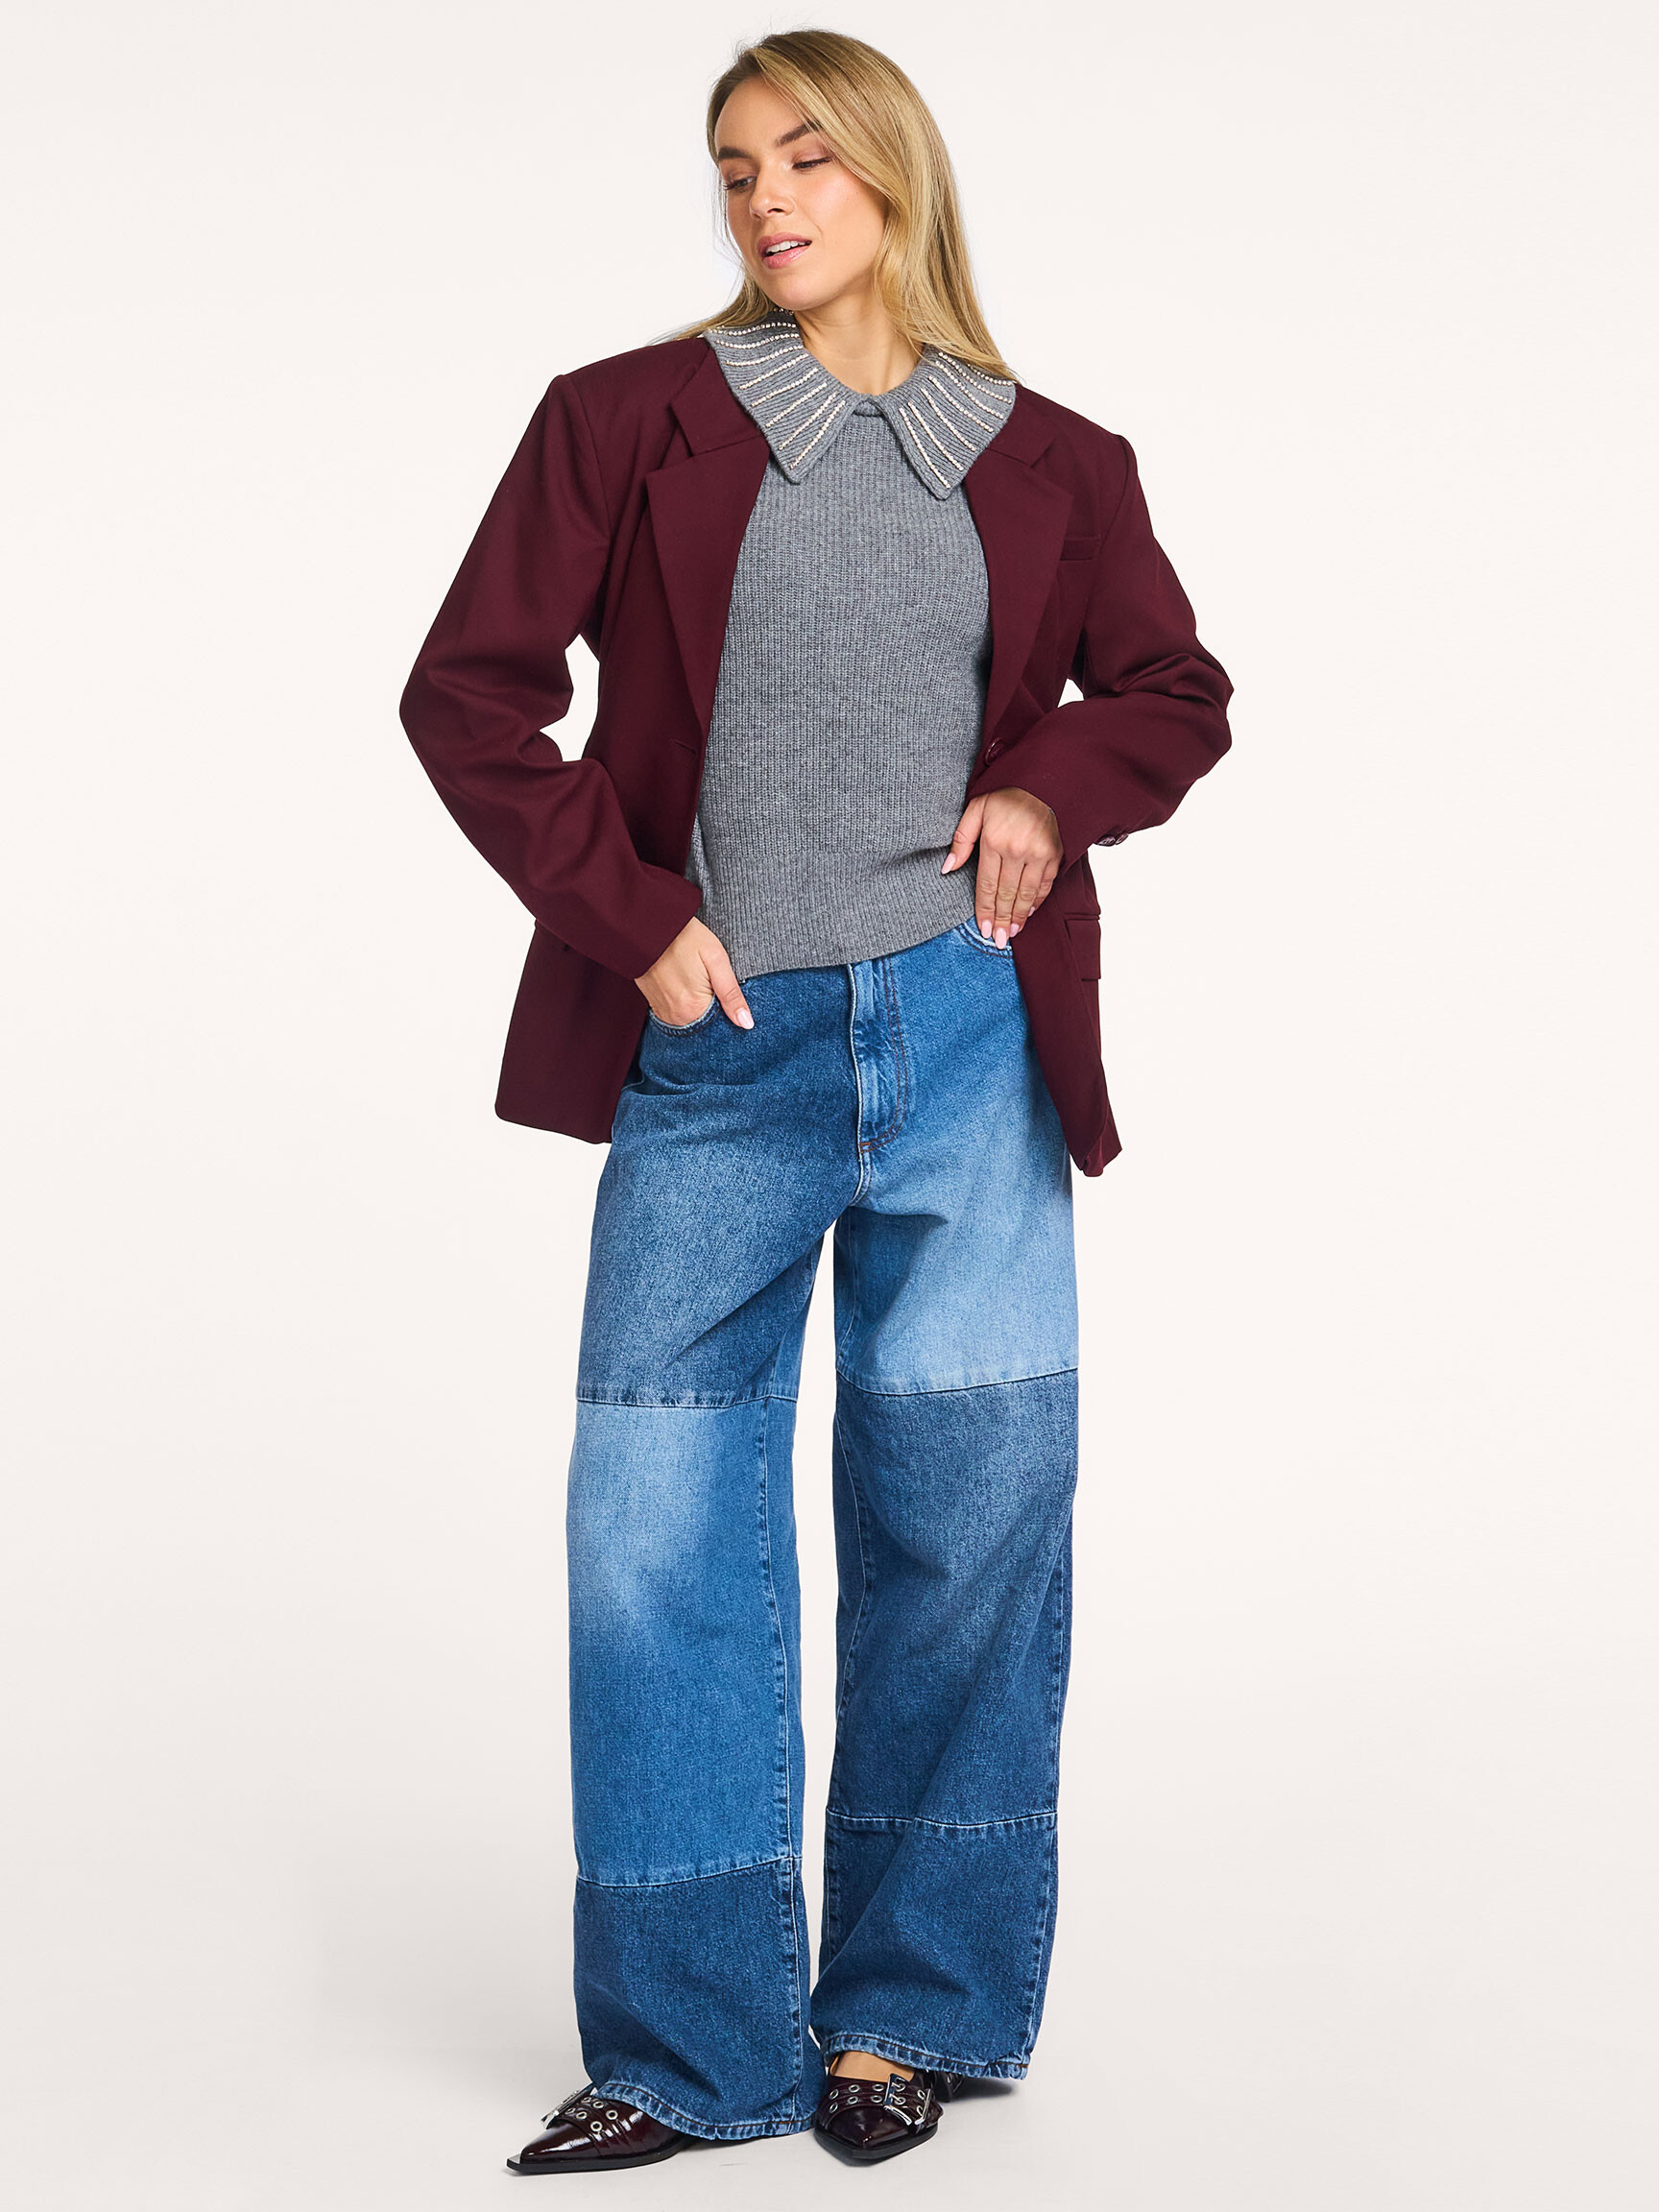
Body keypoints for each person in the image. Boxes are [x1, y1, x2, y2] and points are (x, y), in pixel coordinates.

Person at [398, 27, 1233, 2175]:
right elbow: (469, 694)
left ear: (895, 177)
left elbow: (1175, 692)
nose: (765, 200)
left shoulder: (1058, 460)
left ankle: (908, 2019)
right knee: (652, 1532)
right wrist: (633, 917)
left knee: (969, 1521)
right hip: (723, 1049)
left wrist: (1049, 787)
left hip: (967, 1043)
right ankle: (690, 2049)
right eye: (733, 167)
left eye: (805, 160)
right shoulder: (629, 421)